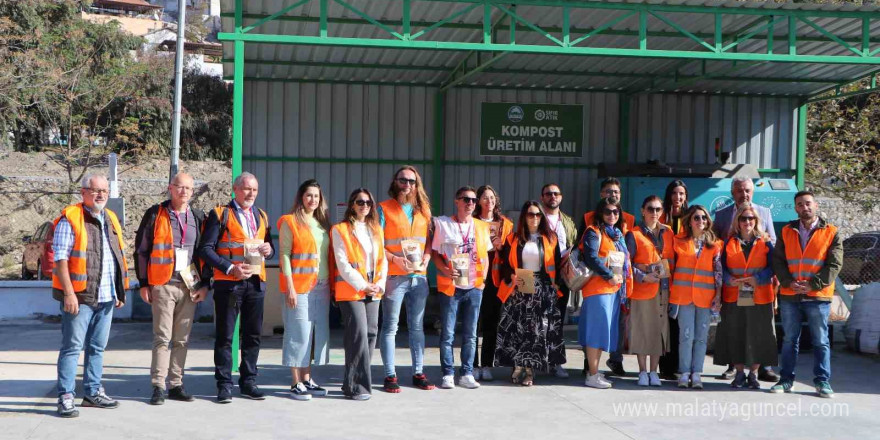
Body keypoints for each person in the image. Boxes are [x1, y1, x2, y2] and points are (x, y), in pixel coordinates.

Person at [53, 174, 129, 418]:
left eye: (104, 191)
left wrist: (118, 290)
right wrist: (69, 294)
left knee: (97, 347)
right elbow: (60, 261)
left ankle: (92, 392)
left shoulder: (111, 219)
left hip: (106, 296)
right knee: (72, 348)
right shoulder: (71, 219)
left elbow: (117, 258)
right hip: (81, 298)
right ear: (83, 192)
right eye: (95, 190)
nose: (101, 195)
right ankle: (66, 396)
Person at [197, 172, 274, 403]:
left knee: (252, 335)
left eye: (255, 190)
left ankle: (249, 381)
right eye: (247, 189)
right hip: (229, 284)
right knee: (225, 336)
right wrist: (230, 268)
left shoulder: (261, 215)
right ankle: (224, 384)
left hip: (255, 283)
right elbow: (206, 249)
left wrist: (270, 251)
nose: (251, 194)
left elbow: (269, 247)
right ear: (235, 189)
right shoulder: (220, 214)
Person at [134, 172, 208, 405]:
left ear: (192, 191)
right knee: (162, 337)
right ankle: (158, 385)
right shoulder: (156, 214)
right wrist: (144, 283)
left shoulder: (198, 217)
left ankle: (176, 384)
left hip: (189, 286)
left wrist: (205, 285)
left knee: (182, 339)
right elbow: (141, 250)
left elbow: (204, 253)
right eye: (179, 187)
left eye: (188, 188)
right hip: (163, 284)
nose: (184, 191)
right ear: (170, 188)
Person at [770, 191, 842, 398]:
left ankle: (822, 382)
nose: (805, 207)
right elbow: (778, 261)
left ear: (816, 205)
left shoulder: (831, 232)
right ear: (795, 208)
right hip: (790, 294)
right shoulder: (786, 231)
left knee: (821, 340)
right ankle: (786, 380)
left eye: (808, 203)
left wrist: (813, 285)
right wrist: (787, 282)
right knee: (789, 340)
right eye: (800, 204)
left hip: (817, 296)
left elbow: (835, 264)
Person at [712, 176, 779, 382]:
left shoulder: (765, 223)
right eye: (740, 191)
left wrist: (758, 278)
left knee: (761, 332)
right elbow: (717, 254)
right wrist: (728, 278)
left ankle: (758, 370)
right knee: (734, 331)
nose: (744, 194)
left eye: (748, 190)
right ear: (733, 193)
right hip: (734, 292)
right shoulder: (723, 218)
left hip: (759, 291)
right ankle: (736, 368)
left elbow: (773, 255)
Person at [494, 201, 565, 386]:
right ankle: (518, 366)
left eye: (538, 214)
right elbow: (505, 265)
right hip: (519, 288)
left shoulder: (551, 238)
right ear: (524, 217)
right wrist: (511, 276)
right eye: (530, 214)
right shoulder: (513, 238)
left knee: (535, 332)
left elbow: (557, 265)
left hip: (541, 289)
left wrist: (554, 287)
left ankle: (530, 370)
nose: (534, 218)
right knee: (518, 330)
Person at [377, 166, 435, 393]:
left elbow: (429, 241)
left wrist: (428, 258)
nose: (407, 185)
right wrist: (394, 259)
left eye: (411, 181)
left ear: (416, 184)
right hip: (394, 276)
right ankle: (390, 375)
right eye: (403, 180)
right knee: (390, 326)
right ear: (395, 182)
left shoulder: (424, 210)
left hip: (418, 278)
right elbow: (377, 243)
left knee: (417, 327)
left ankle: (418, 371)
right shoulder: (384, 209)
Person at [431, 186, 492, 390]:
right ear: (456, 201)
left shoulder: (481, 227)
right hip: (451, 286)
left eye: (474, 200)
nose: (470, 203)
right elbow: (435, 254)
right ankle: (448, 373)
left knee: (471, 333)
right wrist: (445, 271)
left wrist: (483, 281)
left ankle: (466, 372)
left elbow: (486, 256)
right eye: (466, 199)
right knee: (448, 333)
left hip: (474, 286)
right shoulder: (444, 224)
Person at [277, 179, 332, 401]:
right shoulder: (290, 222)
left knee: (313, 334)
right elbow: (284, 254)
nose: (313, 200)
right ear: (301, 197)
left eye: (317, 196)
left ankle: (307, 379)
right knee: (298, 333)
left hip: (322, 286)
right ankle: (295, 382)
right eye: (309, 195)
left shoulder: (322, 224)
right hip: (299, 287)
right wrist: (289, 286)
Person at [331, 188, 388, 401]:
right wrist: (364, 285)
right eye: (360, 202)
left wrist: (379, 284)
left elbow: (382, 259)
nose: (364, 206)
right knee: (359, 334)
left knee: (371, 333)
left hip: (373, 288)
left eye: (368, 203)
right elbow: (343, 263)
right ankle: (358, 387)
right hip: (352, 289)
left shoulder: (376, 229)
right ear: (352, 205)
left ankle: (352, 381)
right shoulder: (340, 229)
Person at [580, 177, 634, 377]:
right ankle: (592, 373)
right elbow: (591, 256)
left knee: (604, 333)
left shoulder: (617, 235)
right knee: (595, 333)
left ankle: (595, 371)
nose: (612, 215)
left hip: (613, 290)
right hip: (598, 288)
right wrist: (609, 275)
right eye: (608, 211)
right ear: (600, 213)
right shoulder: (594, 232)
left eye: (615, 211)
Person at [670, 205, 723, 390]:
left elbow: (718, 272)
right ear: (689, 221)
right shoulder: (677, 241)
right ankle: (684, 373)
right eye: (696, 218)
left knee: (701, 338)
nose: (701, 221)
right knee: (686, 336)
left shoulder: (715, 245)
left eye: (704, 218)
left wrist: (718, 295)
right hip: (683, 297)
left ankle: (697, 373)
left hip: (706, 298)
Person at [625, 196, 674, 387]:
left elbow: (673, 260)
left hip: (663, 289)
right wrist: (643, 275)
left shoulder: (668, 233)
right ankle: (642, 371)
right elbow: (626, 265)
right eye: (650, 209)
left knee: (658, 331)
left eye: (658, 209)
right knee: (641, 331)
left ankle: (654, 371)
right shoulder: (634, 234)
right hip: (643, 289)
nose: (654, 213)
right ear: (642, 211)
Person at [474, 185, 514, 382]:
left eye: (491, 197)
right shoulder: (471, 222)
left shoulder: (505, 224)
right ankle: (472, 365)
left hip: (495, 281)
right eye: (484, 197)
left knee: (491, 323)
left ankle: (487, 364)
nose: (488, 201)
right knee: (472, 323)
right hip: (474, 277)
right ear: (478, 201)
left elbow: (513, 252)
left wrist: (502, 247)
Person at [539, 183, 577, 379]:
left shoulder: (568, 222)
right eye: (548, 194)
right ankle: (534, 361)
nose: (552, 197)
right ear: (542, 197)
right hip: (540, 276)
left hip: (561, 278)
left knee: (557, 321)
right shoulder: (535, 218)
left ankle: (556, 361)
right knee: (536, 321)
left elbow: (573, 244)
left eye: (556, 194)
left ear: (560, 197)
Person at [658, 179, 688, 380]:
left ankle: (679, 365)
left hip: (684, 279)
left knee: (680, 324)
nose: (678, 197)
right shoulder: (660, 217)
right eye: (675, 193)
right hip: (663, 278)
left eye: (682, 194)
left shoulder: (690, 218)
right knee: (665, 323)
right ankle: (664, 366)